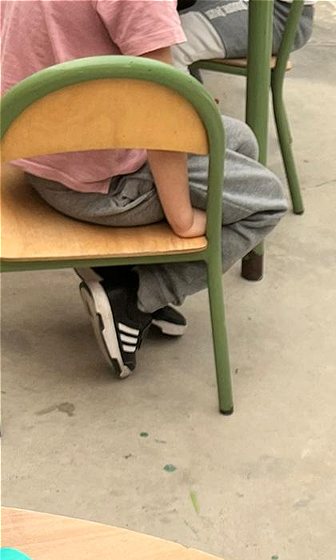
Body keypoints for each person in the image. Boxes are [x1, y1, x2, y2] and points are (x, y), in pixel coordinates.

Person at [0, 0, 288, 379]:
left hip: (35, 157)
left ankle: (117, 271)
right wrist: (182, 218)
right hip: (104, 186)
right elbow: (161, 113)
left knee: (239, 140)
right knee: (265, 203)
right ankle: (136, 296)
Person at [170, 1, 314, 71]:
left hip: (276, 12)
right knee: (163, 22)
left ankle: (181, 117)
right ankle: (195, 106)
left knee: (169, 42)